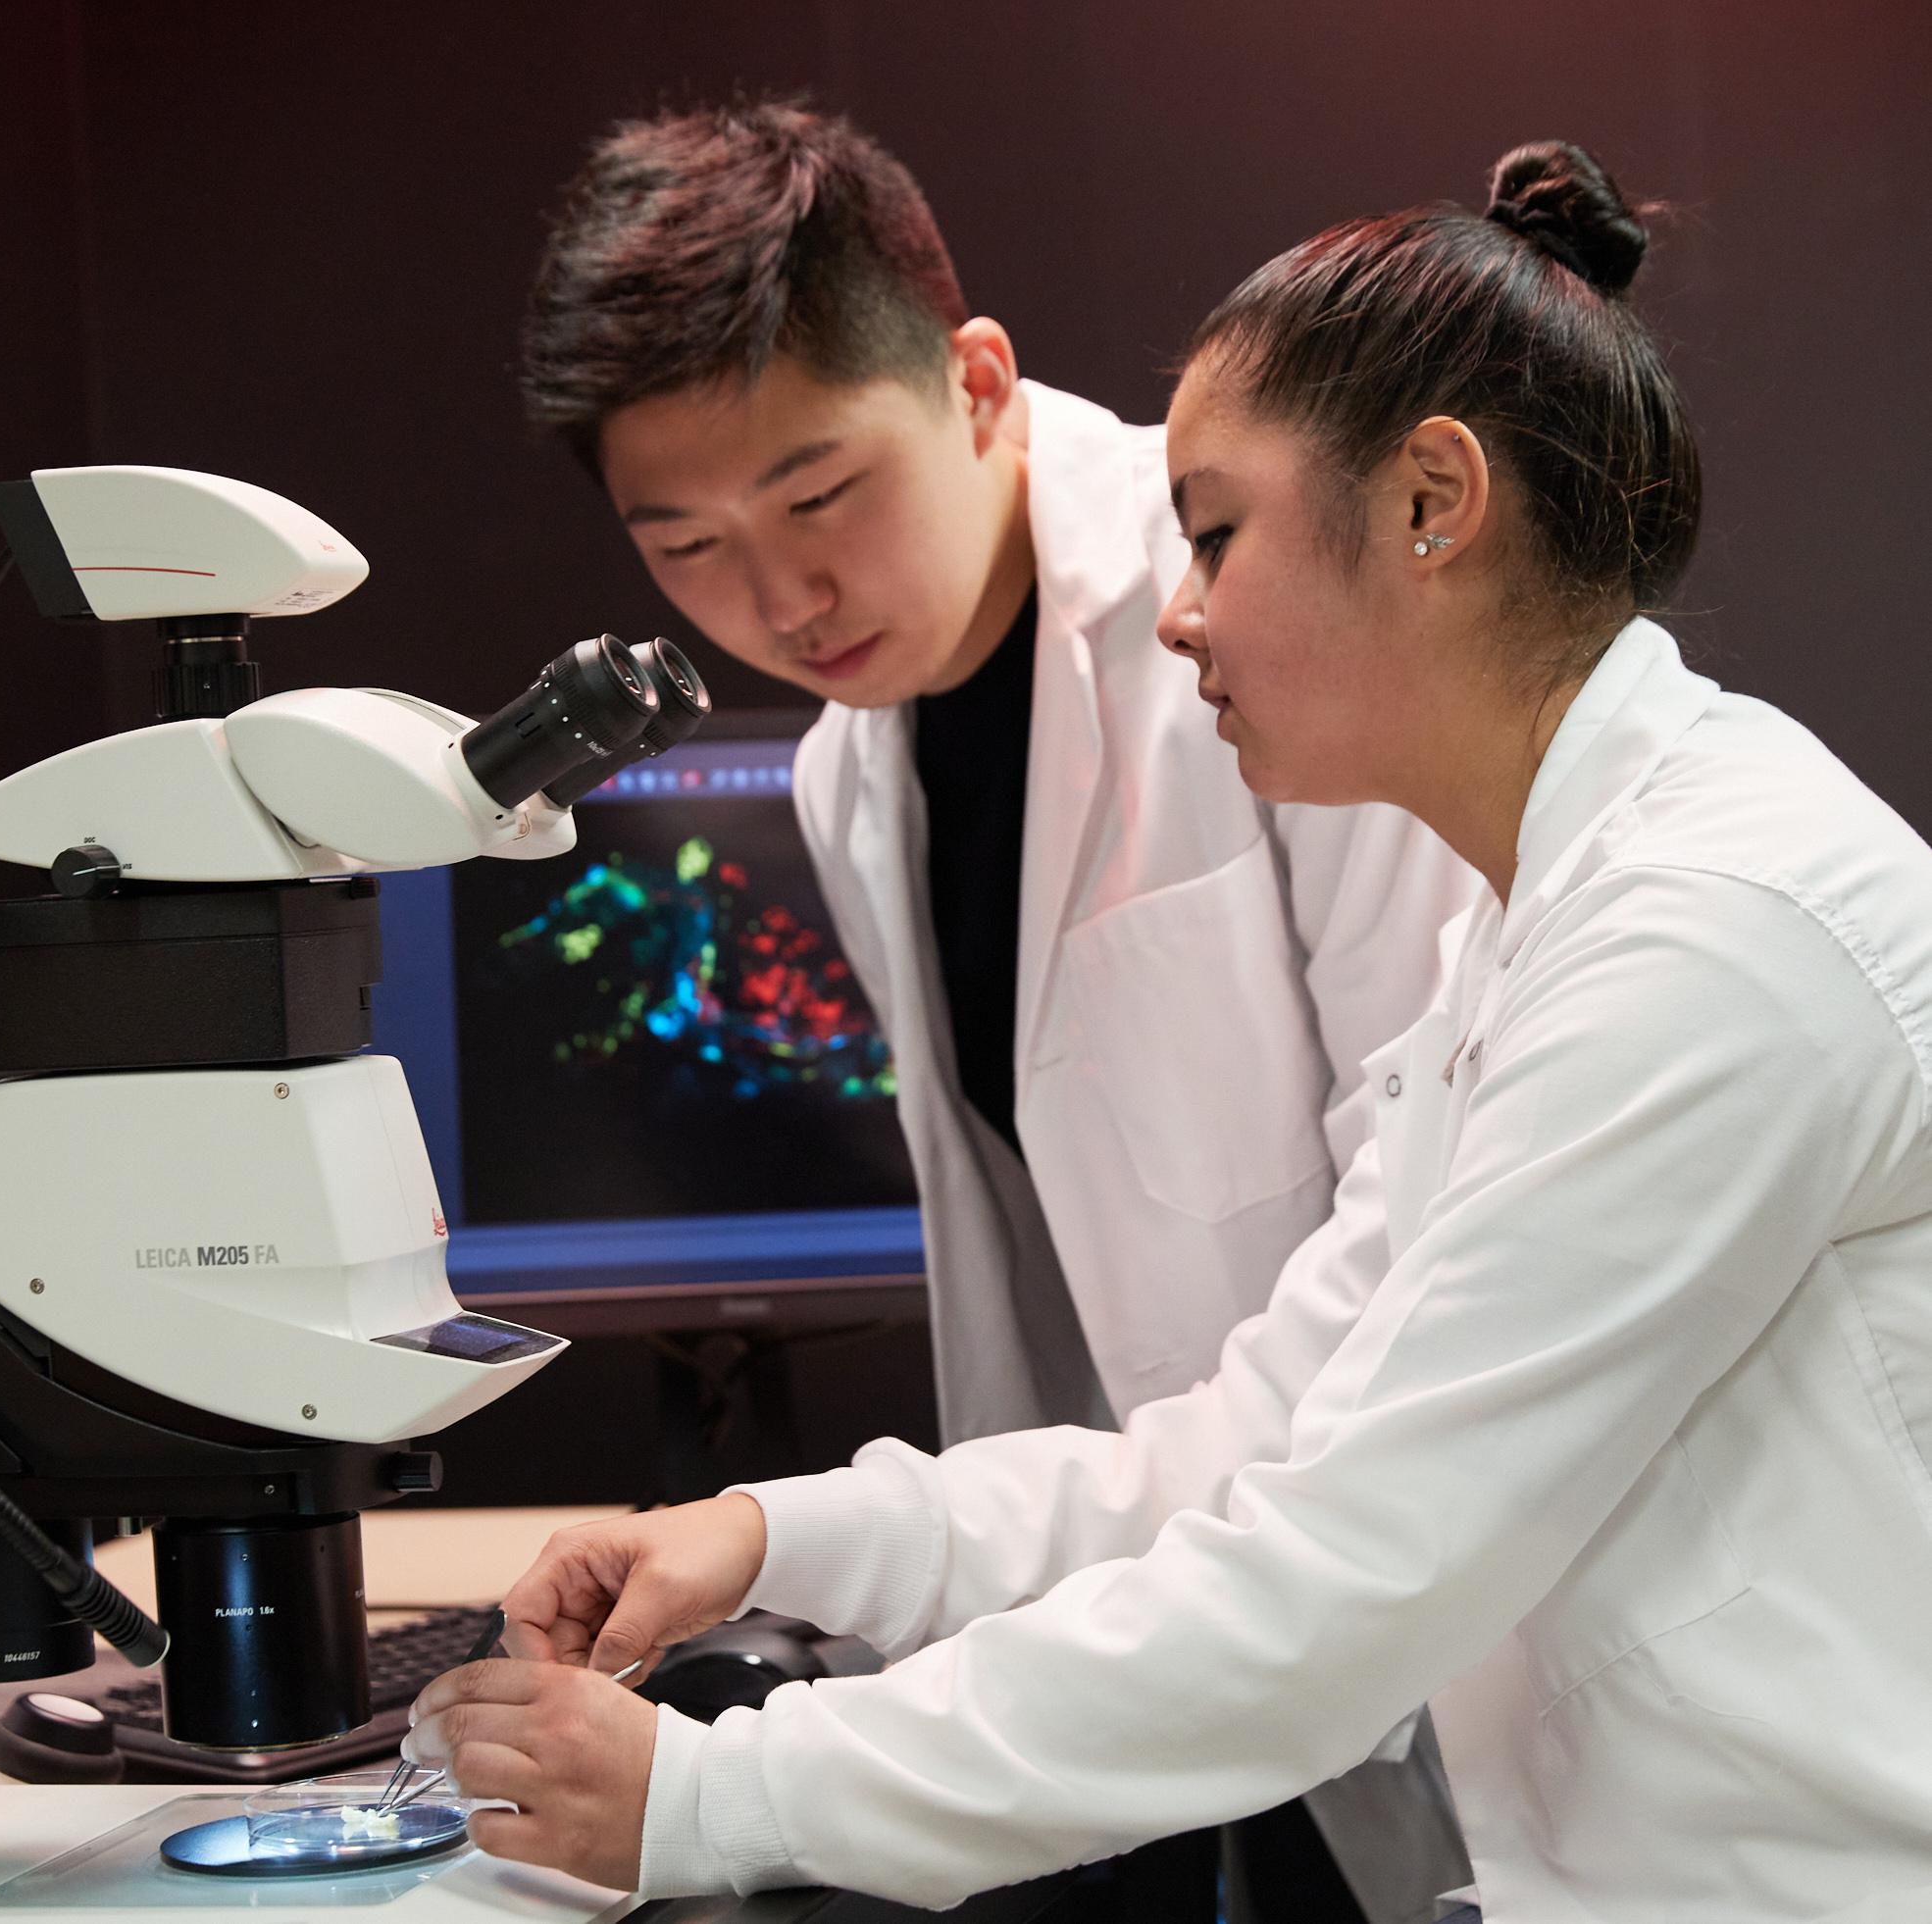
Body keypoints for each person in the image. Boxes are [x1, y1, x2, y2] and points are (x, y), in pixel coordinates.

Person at [407, 139, 1932, 1921]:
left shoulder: (1705, 941)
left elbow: (1344, 1565)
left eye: (1213, 532)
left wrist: (720, 1792)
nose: (1182, 601)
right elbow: (1252, 1433)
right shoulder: (1552, 929)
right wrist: (779, 1533)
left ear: (1434, 501)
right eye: (688, 545)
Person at [512, 101, 1479, 1921]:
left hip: (1387, 1579)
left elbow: (1417, 1260)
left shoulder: (1269, 634)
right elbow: (1040, 1290)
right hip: (1145, 1604)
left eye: (817, 493)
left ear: (973, 382)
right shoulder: (841, 773)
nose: (780, 596)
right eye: (685, 544)